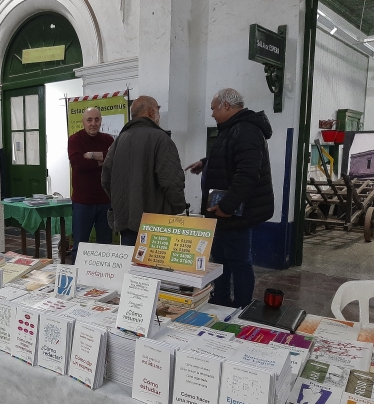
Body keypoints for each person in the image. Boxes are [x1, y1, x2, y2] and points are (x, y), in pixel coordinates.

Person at [186, 88, 274, 309]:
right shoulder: (233, 128)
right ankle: (221, 300)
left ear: (226, 106)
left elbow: (247, 173)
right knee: (221, 260)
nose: (212, 114)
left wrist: (227, 206)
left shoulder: (247, 130)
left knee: (239, 261)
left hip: (235, 212)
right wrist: (206, 162)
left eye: (214, 109)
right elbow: (230, 157)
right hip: (223, 212)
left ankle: (242, 306)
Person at [101, 95, 186, 245]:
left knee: (130, 259)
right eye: (158, 109)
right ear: (152, 112)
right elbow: (172, 182)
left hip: (125, 221)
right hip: (155, 222)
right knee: (152, 260)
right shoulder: (161, 139)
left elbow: (105, 179)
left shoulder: (120, 140)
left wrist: (121, 202)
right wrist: (179, 207)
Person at [68, 107, 114, 263]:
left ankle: (104, 276)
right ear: (83, 122)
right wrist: (102, 160)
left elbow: (114, 160)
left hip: (105, 201)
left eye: (97, 119)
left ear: (101, 121)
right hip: (82, 203)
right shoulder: (75, 140)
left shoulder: (108, 140)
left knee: (106, 247)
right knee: (80, 246)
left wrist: (91, 155)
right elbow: (79, 164)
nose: (93, 123)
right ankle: (76, 276)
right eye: (89, 120)